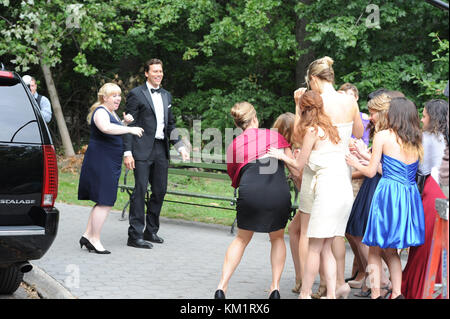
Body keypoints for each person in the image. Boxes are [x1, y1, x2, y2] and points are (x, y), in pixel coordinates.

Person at [269, 90, 354, 299]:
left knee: (315, 246)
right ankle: (332, 294)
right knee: (327, 247)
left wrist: (281, 155)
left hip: (328, 193)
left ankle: (305, 293)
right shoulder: (332, 129)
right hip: (344, 191)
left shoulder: (313, 131)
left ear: (304, 110)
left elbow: (299, 165)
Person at [292, 56, 364, 298]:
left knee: (313, 241)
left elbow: (300, 137)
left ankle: (306, 289)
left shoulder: (318, 103)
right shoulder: (350, 101)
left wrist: (297, 106)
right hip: (343, 178)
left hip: (319, 177)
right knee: (333, 239)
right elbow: (358, 133)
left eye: (310, 83)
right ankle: (333, 288)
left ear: (314, 79)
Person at [346, 97, 425, 299]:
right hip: (407, 195)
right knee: (392, 251)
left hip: (388, 195)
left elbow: (371, 172)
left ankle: (375, 293)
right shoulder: (416, 139)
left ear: (394, 115)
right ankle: (397, 293)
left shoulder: (382, 136)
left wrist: (354, 162)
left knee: (374, 249)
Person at [214, 102, 293, 299]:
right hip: (277, 190)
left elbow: (235, 178)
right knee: (276, 238)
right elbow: (293, 166)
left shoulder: (234, 145)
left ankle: (221, 287)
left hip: (251, 190)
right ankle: (274, 288)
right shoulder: (275, 136)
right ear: (255, 118)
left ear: (239, 123)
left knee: (241, 239)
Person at [123, 59, 190, 249]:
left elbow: (171, 125)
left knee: (160, 190)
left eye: (160, 71)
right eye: (154, 71)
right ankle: (134, 235)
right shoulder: (136, 94)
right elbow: (130, 125)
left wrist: (180, 146)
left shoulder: (167, 95)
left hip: (161, 148)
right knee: (140, 190)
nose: (158, 74)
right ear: (146, 73)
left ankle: (151, 231)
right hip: (141, 148)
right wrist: (127, 152)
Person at [78, 83, 144, 254]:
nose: (118, 98)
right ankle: (94, 239)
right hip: (102, 161)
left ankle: (87, 235)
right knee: (105, 201)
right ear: (104, 97)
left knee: (102, 200)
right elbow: (105, 128)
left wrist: (123, 122)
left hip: (109, 160)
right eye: (113, 95)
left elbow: (112, 127)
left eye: (119, 95)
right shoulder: (100, 111)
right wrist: (129, 129)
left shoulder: (110, 112)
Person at [345, 92, 395, 297]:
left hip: (377, 186)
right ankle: (377, 279)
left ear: (383, 112)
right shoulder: (381, 132)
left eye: (373, 112)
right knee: (357, 233)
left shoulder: (389, 134)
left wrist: (361, 158)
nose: (370, 116)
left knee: (362, 235)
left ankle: (380, 280)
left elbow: (386, 168)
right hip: (370, 183)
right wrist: (363, 155)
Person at [401, 99, 448, 299]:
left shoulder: (427, 138)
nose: (421, 119)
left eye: (424, 115)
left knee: (425, 245)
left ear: (433, 118)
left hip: (432, 192)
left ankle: (420, 288)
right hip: (443, 192)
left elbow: (418, 169)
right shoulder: (445, 138)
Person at [272, 112, 303, 293]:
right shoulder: (295, 146)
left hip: (312, 197)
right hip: (312, 195)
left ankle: (302, 278)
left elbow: (299, 173)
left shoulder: (292, 149)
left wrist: (287, 160)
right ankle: (302, 277)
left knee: (301, 234)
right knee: (295, 230)